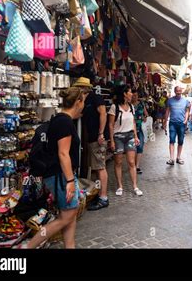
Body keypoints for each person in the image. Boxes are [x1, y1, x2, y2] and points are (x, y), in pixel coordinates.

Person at [27, 87, 88, 248]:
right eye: (83, 101)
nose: (84, 105)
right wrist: (69, 181)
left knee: (70, 215)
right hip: (60, 176)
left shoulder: (62, 120)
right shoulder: (64, 122)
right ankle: (29, 246)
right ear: (78, 102)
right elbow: (63, 153)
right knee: (65, 218)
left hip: (61, 176)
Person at [73, 77, 109, 211]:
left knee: (100, 167)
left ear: (84, 88)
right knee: (97, 167)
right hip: (92, 138)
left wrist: (101, 133)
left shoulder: (95, 97)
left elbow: (103, 114)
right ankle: (100, 194)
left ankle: (103, 198)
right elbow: (78, 115)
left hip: (97, 138)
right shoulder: (84, 100)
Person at [108, 85, 143, 197]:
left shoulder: (132, 107)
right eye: (129, 92)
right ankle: (120, 186)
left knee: (131, 162)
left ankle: (135, 186)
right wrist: (112, 140)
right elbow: (110, 125)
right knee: (118, 162)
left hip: (130, 136)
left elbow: (133, 122)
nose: (131, 94)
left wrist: (136, 136)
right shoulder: (114, 107)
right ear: (124, 93)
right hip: (118, 137)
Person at [163, 86, 190, 165]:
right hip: (172, 123)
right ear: (175, 91)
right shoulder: (170, 100)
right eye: (177, 91)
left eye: (179, 91)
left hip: (181, 123)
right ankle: (171, 159)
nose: (178, 92)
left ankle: (178, 157)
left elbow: (187, 111)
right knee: (172, 140)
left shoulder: (186, 101)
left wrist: (185, 120)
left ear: (181, 91)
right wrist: (164, 122)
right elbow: (167, 111)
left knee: (180, 141)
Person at [132, 91, 148, 175]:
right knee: (132, 148)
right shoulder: (128, 105)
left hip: (140, 128)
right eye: (133, 95)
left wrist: (144, 117)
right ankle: (132, 165)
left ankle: (137, 166)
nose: (134, 97)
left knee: (140, 147)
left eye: (136, 95)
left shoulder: (141, 104)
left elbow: (146, 114)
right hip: (131, 129)